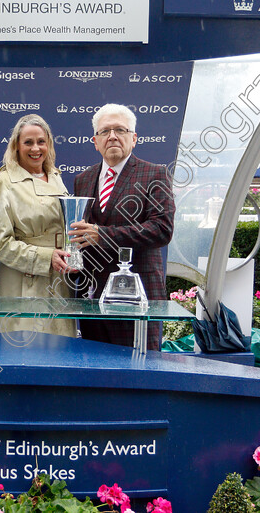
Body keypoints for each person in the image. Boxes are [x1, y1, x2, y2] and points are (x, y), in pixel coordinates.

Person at [67, 103, 175, 350]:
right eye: (105, 131)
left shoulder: (155, 174)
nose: (112, 136)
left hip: (137, 296)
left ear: (134, 138)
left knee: (138, 375)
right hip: (91, 296)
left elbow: (162, 229)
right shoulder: (83, 179)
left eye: (120, 130)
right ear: (95, 141)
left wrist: (102, 235)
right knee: (94, 373)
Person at [0, 114, 75, 337]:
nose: (36, 148)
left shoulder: (56, 177)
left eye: (41, 141)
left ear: (49, 144)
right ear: (16, 145)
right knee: (26, 353)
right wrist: (46, 257)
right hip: (24, 283)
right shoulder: (3, 182)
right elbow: (0, 244)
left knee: (61, 352)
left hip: (60, 282)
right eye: (28, 142)